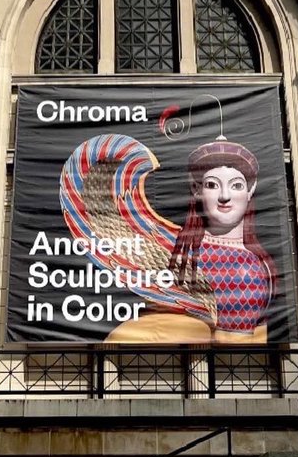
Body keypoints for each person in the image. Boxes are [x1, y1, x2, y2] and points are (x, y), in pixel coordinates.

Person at [106, 136, 276, 345]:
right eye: (212, 185)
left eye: (236, 185)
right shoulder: (182, 256)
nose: (224, 196)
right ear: (196, 190)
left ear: (250, 190)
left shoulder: (255, 264)